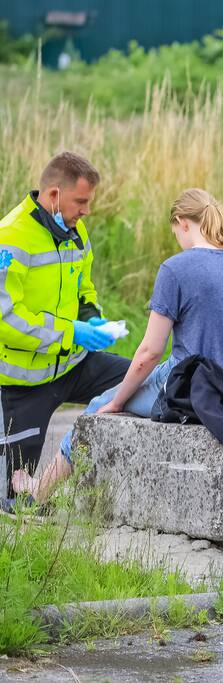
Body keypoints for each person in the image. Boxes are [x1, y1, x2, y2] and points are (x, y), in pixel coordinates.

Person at [9, 188, 223, 505]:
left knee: (98, 405)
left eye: (175, 233)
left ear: (182, 223)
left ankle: (40, 490)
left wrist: (117, 401)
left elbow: (150, 352)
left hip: (187, 392)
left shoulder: (176, 269)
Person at [0, 152, 129, 512]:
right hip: (23, 384)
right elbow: (5, 320)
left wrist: (93, 319)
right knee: (14, 502)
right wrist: (71, 332)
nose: (87, 210)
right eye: (81, 201)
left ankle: (108, 493)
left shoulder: (76, 230)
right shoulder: (10, 238)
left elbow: (84, 289)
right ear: (54, 195)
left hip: (74, 364)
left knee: (141, 381)